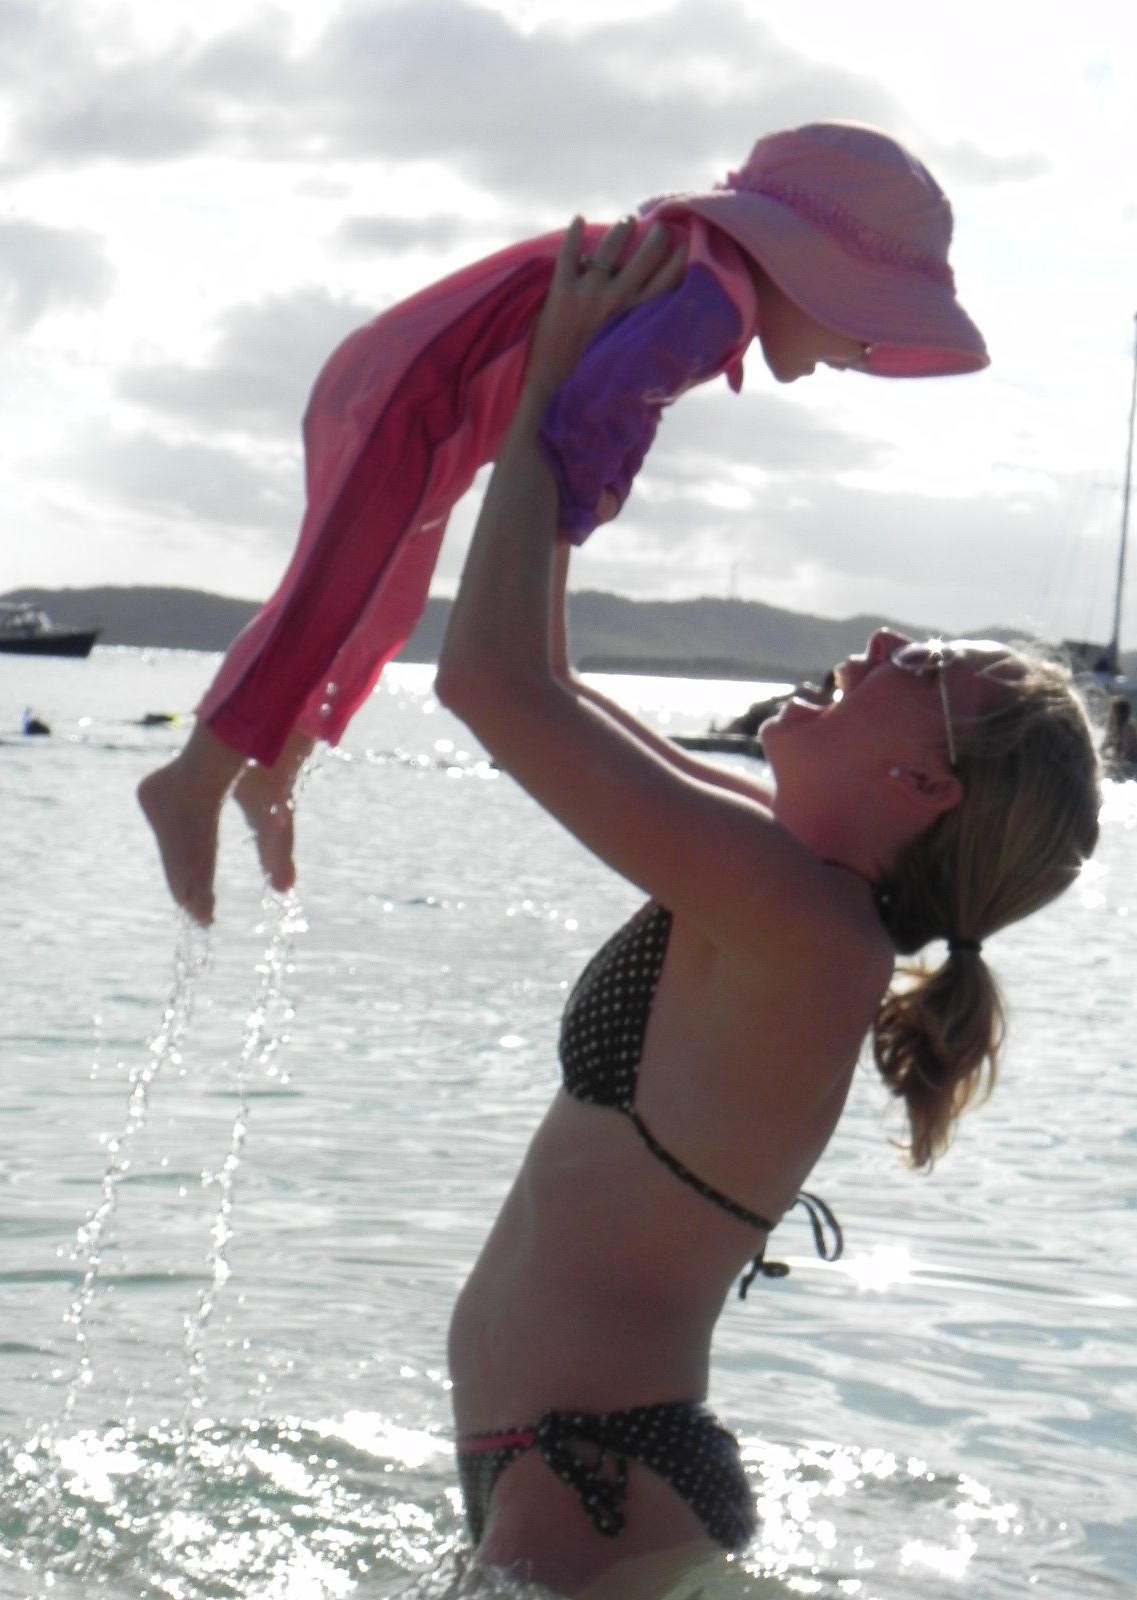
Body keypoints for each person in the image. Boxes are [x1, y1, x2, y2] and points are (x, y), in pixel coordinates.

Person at [431, 219, 1101, 1597]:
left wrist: (550, 384)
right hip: (571, 1469)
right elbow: (540, 683)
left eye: (920, 662)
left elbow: (489, 685)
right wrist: (579, 423)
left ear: (923, 783)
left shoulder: (806, 929)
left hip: (592, 1475)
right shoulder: (777, 882)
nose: (877, 638)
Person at [137, 121, 990, 924]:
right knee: (333, 595)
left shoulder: (705, 276)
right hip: (411, 394)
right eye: (868, 328)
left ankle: (275, 764)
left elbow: (611, 396)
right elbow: (600, 407)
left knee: (380, 603)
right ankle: (194, 779)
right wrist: (590, 502)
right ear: (812, 272)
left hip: (427, 399)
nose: (862, 357)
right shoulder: (711, 300)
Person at [1102, 694, 1137, 775]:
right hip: (1123, 762)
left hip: (1133, 763)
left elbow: (1125, 754)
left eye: (1112, 712)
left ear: (1120, 713)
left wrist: (1111, 762)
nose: (1109, 715)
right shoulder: (1113, 728)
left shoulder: (1127, 727)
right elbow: (1103, 748)